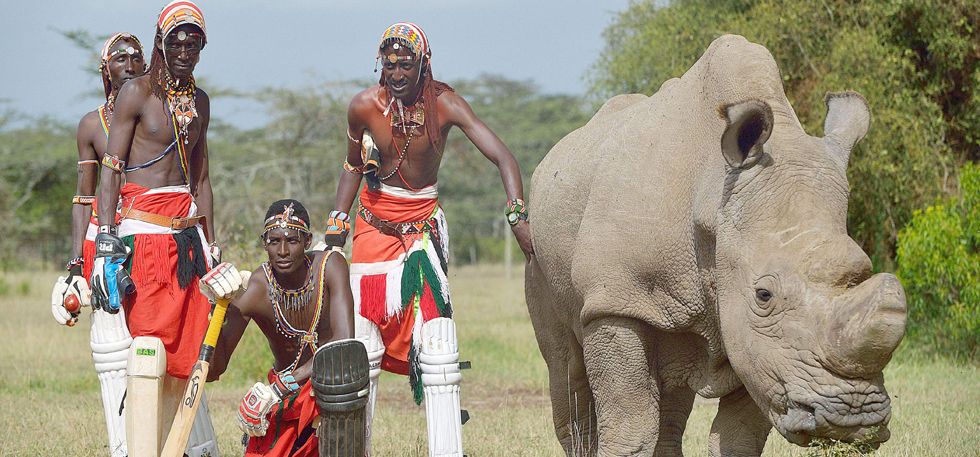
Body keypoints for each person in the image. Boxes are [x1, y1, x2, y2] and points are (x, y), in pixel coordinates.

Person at [325, 22, 534, 457]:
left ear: (424, 63)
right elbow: (350, 167)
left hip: (421, 237)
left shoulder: (446, 106)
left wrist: (516, 216)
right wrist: (336, 225)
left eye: (407, 64)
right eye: (390, 64)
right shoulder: (364, 106)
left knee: (438, 344)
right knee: (362, 347)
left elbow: (503, 156)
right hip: (372, 231)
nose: (397, 73)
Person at [88, 1, 220, 455]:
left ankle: (174, 446)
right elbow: (111, 169)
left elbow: (200, 179)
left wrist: (212, 244)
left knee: (187, 354)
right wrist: (107, 243)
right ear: (161, 43)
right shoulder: (137, 94)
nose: (185, 48)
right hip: (143, 237)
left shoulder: (200, 102)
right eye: (176, 40)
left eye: (194, 41)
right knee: (148, 350)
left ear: (203, 47)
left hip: (187, 242)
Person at [49, 31, 145, 457]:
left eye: (136, 56)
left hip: (151, 233)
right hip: (102, 242)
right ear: (105, 69)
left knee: (159, 338)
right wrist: (74, 265)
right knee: (111, 348)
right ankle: (122, 447)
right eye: (120, 57)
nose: (129, 61)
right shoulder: (93, 124)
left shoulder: (161, 117)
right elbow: (84, 198)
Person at [207, 199, 364, 457]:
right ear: (263, 242)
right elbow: (214, 370)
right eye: (274, 241)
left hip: (331, 388)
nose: (282, 251)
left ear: (308, 241)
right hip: (283, 399)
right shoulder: (257, 288)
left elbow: (342, 345)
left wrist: (280, 387)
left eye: (292, 240)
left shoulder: (330, 267)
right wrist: (215, 309)